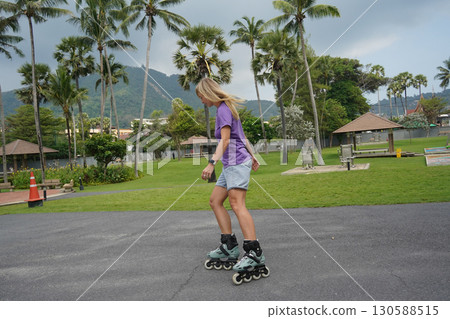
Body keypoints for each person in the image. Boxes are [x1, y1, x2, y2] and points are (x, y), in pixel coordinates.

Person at [196, 78, 268, 282]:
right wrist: (253, 155)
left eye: (201, 96)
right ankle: (229, 246)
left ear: (207, 93)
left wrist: (211, 163)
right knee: (215, 201)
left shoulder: (223, 110)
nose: (201, 100)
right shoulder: (224, 108)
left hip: (236, 163)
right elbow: (242, 135)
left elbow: (227, 140)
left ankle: (254, 252)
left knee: (237, 204)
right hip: (231, 164)